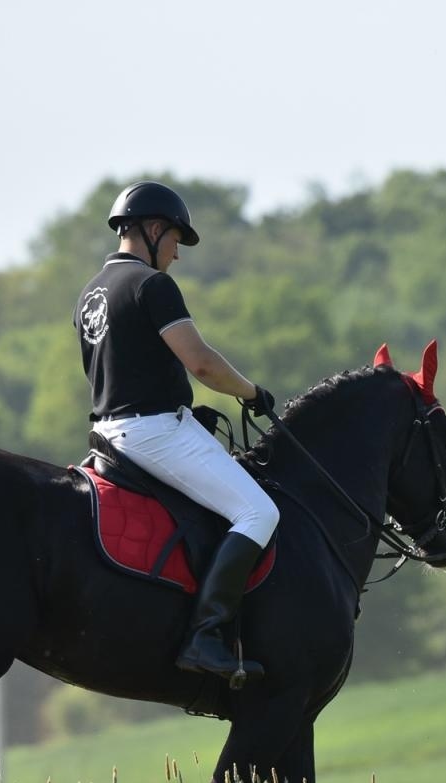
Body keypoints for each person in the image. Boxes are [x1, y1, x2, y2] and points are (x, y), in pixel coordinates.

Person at [73, 180, 279, 682]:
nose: (176, 256)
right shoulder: (151, 285)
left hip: (110, 431)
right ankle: (205, 637)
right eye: (174, 242)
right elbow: (202, 364)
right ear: (153, 229)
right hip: (153, 432)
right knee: (258, 511)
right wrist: (251, 393)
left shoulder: (91, 293)